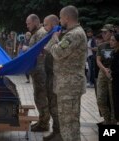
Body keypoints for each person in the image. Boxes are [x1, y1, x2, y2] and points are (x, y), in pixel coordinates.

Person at [45, 5, 87, 141]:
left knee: (69, 124)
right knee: (67, 123)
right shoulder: (73, 33)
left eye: (61, 17)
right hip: (67, 86)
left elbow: (57, 52)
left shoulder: (74, 35)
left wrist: (55, 39)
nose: (60, 21)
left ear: (67, 18)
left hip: (70, 86)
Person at [24, 14, 50, 132]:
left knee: (41, 97)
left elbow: (41, 51)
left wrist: (26, 49)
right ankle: (42, 121)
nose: (27, 26)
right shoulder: (37, 33)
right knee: (38, 96)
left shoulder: (41, 33)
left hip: (42, 71)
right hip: (37, 71)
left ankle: (44, 123)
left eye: (28, 23)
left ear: (35, 22)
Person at [42, 14, 60, 141]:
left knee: (55, 107)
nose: (44, 27)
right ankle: (55, 132)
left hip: (56, 77)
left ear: (53, 25)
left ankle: (58, 133)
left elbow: (59, 53)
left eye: (46, 24)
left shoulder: (59, 35)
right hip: (50, 76)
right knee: (51, 105)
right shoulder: (51, 36)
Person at [96, 24, 115, 125]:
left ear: (112, 32)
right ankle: (107, 120)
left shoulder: (116, 45)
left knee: (113, 100)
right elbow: (98, 60)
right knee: (100, 99)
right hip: (103, 73)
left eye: (105, 32)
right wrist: (104, 69)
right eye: (102, 32)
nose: (103, 34)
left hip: (114, 73)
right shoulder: (101, 46)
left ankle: (113, 121)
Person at [110, 33, 119, 121]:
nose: (111, 42)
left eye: (113, 40)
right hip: (114, 81)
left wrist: (112, 72)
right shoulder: (113, 52)